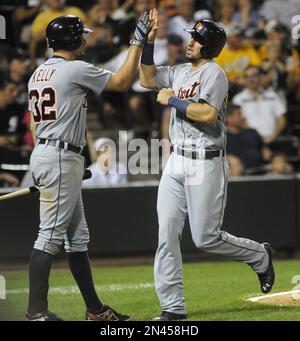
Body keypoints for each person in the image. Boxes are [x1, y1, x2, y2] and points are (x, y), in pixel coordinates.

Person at [140, 11, 275, 321]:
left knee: (206, 239)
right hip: (177, 161)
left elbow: (207, 115)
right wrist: (148, 45)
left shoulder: (214, 73)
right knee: (167, 234)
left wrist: (172, 100)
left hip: (206, 161)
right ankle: (172, 308)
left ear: (209, 45)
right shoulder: (181, 71)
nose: (190, 42)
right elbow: (146, 79)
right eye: (192, 36)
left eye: (197, 39)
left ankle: (258, 254)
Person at [26, 13, 151, 321]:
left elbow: (41, 122)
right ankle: (35, 312)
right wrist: (138, 40)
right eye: (81, 35)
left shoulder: (38, 73)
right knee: (49, 235)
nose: (85, 39)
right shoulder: (73, 68)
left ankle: (95, 310)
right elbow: (122, 82)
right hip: (58, 156)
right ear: (71, 40)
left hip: (55, 152)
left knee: (77, 237)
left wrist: (67, 158)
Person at [232, 66, 286, 144]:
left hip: (272, 140)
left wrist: (274, 135)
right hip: (248, 141)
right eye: (247, 77)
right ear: (245, 80)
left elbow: (281, 120)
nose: (251, 79)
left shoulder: (273, 96)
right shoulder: (238, 99)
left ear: (260, 77)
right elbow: (236, 121)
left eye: (254, 75)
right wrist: (253, 136)